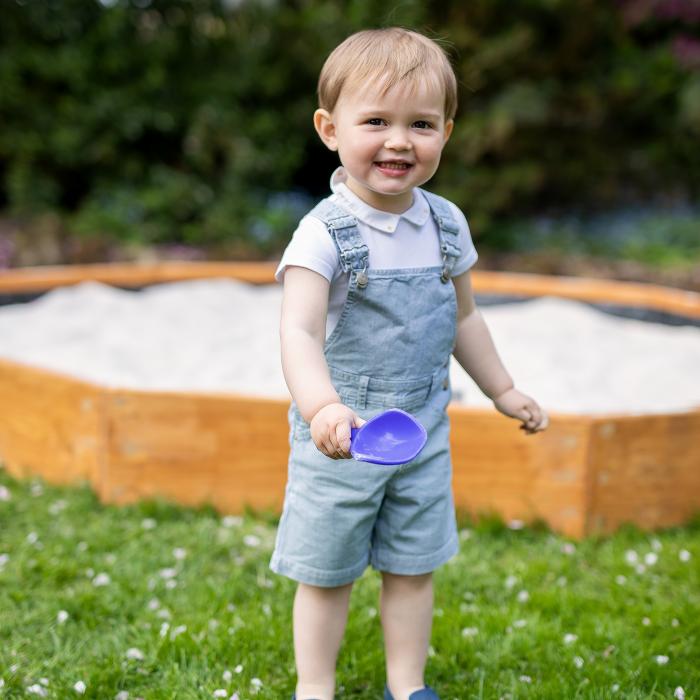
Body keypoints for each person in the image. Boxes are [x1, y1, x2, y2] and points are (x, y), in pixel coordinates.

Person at [269, 27, 548, 700]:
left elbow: (464, 318)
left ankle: (408, 685)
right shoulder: (323, 233)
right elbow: (298, 333)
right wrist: (323, 408)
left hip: (422, 432)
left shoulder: (446, 224)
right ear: (329, 128)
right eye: (376, 122)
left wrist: (502, 388)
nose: (399, 141)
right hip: (343, 436)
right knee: (328, 571)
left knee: (413, 566)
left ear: (446, 133)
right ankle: (315, 687)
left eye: (420, 124)